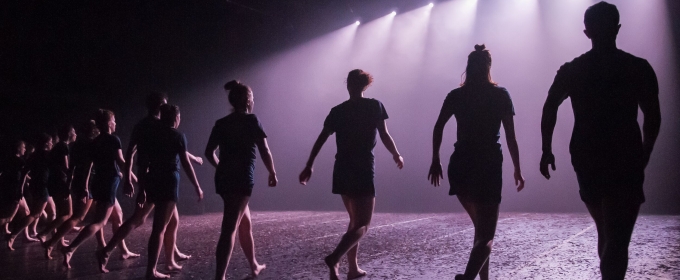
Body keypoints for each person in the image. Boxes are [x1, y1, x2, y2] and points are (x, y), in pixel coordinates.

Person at [539, 2, 661, 279]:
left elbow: (549, 107)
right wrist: (646, 151)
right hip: (626, 154)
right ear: (617, 29)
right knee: (617, 237)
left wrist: (546, 149)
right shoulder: (638, 68)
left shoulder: (573, 70)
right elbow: (652, 115)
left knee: (607, 231)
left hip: (587, 155)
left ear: (586, 32)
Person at [428, 45, 525, 280]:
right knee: (486, 235)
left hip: (460, 163)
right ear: (488, 67)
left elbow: (438, 126)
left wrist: (435, 159)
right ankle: (469, 278)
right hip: (487, 164)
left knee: (481, 232)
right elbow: (510, 136)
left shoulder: (456, 95)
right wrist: (517, 169)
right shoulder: (500, 95)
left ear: (468, 67)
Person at [299, 69, 404, 280]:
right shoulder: (375, 106)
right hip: (362, 167)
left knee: (355, 220)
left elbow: (322, 138)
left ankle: (353, 268)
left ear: (348, 85)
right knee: (363, 224)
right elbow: (384, 134)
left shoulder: (337, 111)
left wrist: (309, 164)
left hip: (342, 168)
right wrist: (396, 154)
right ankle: (335, 257)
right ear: (365, 86)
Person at [97, 92, 199, 274]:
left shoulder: (141, 125)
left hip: (149, 176)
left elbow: (131, 153)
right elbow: (173, 144)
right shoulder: (157, 126)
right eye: (165, 104)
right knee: (148, 221)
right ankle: (111, 251)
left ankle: (169, 259)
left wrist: (130, 178)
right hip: (161, 178)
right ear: (160, 106)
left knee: (165, 220)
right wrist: (131, 179)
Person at [205, 80, 276, 280]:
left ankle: (253, 265)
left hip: (224, 179)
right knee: (229, 228)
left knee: (244, 223)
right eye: (252, 97)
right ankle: (220, 277)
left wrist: (220, 166)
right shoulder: (251, 120)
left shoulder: (221, 123)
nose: (253, 101)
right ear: (246, 100)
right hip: (241, 179)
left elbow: (209, 152)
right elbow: (264, 150)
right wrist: (272, 172)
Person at [42, 121, 138, 259]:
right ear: (95, 131)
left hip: (92, 184)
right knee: (83, 218)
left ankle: (117, 249)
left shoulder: (80, 145)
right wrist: (84, 187)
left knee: (115, 215)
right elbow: (87, 167)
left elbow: (74, 167)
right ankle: (56, 244)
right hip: (93, 185)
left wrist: (71, 184)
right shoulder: (91, 145)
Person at [142, 104, 203, 279]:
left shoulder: (153, 136)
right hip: (168, 180)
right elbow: (186, 163)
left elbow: (144, 161)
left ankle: (169, 261)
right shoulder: (177, 136)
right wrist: (197, 185)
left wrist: (143, 186)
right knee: (159, 228)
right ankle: (151, 271)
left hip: (154, 179)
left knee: (170, 222)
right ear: (175, 118)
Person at [60, 109, 125, 268]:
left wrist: (85, 186)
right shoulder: (114, 140)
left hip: (99, 183)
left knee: (118, 214)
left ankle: (119, 250)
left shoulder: (94, 142)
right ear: (109, 123)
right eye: (114, 120)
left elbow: (89, 167)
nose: (116, 123)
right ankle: (71, 248)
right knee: (100, 222)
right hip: (109, 183)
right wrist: (135, 179)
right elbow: (121, 162)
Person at [5, 133, 52, 250]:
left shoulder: (34, 155)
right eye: (51, 142)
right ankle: (13, 235)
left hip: (35, 186)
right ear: (46, 143)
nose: (52, 144)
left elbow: (25, 172)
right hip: (42, 186)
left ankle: (22, 234)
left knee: (37, 213)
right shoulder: (46, 155)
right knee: (36, 213)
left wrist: (21, 187)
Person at [36, 124, 76, 245]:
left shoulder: (58, 146)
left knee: (61, 213)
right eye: (74, 131)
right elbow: (66, 167)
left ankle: (59, 240)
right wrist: (75, 173)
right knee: (68, 214)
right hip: (60, 183)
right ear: (69, 134)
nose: (76, 134)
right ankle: (43, 233)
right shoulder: (64, 146)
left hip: (54, 182)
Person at [0, 141, 28, 235]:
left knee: (7, 211)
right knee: (25, 212)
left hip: (7, 188)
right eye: (23, 147)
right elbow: (24, 175)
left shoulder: (7, 159)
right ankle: (22, 236)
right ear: (19, 148)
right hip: (15, 189)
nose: (25, 149)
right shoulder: (20, 161)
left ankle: (7, 229)